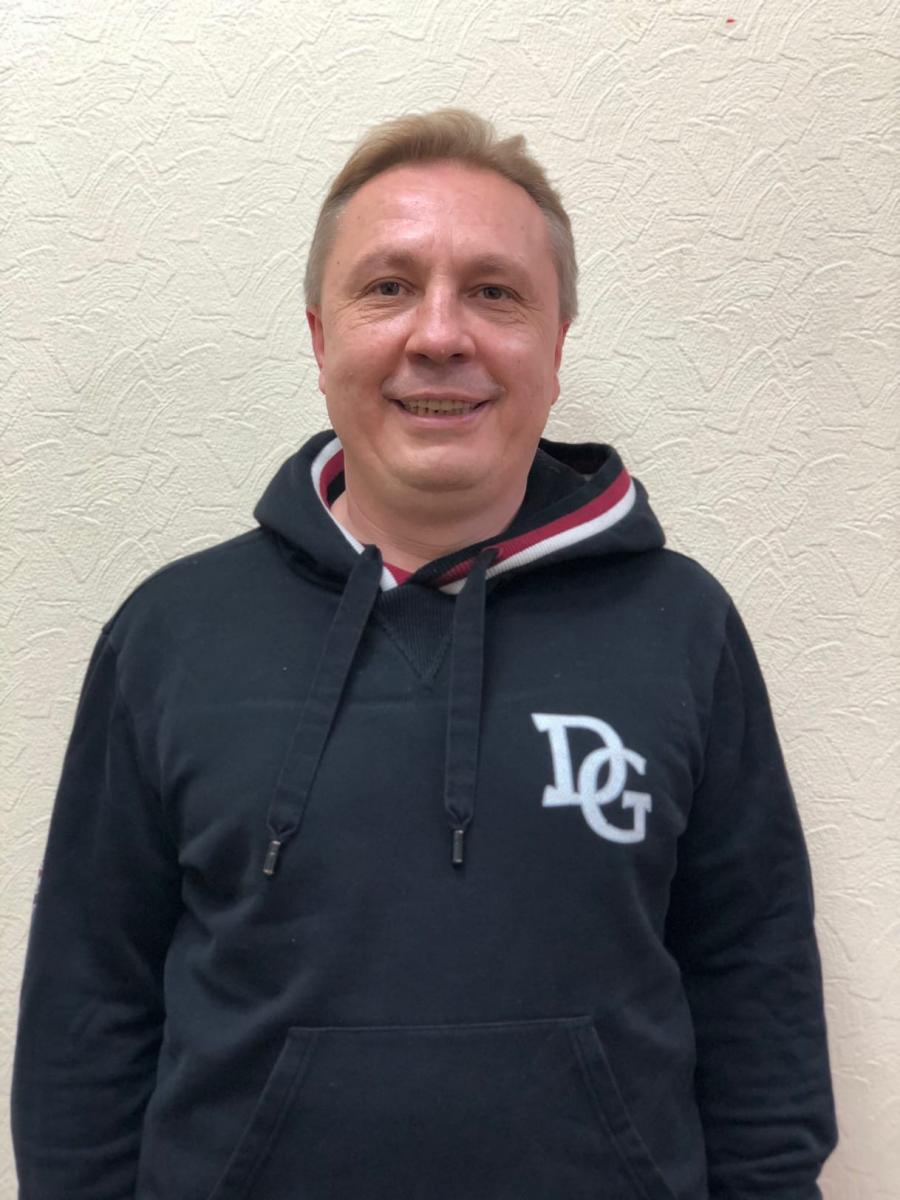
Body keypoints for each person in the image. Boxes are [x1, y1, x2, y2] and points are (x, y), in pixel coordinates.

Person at [12, 108, 836, 1199]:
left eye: (494, 292)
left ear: (555, 347)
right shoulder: (170, 633)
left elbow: (756, 988)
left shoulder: (681, 626)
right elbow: (88, 1013)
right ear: (321, 340)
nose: (440, 334)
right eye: (390, 287)